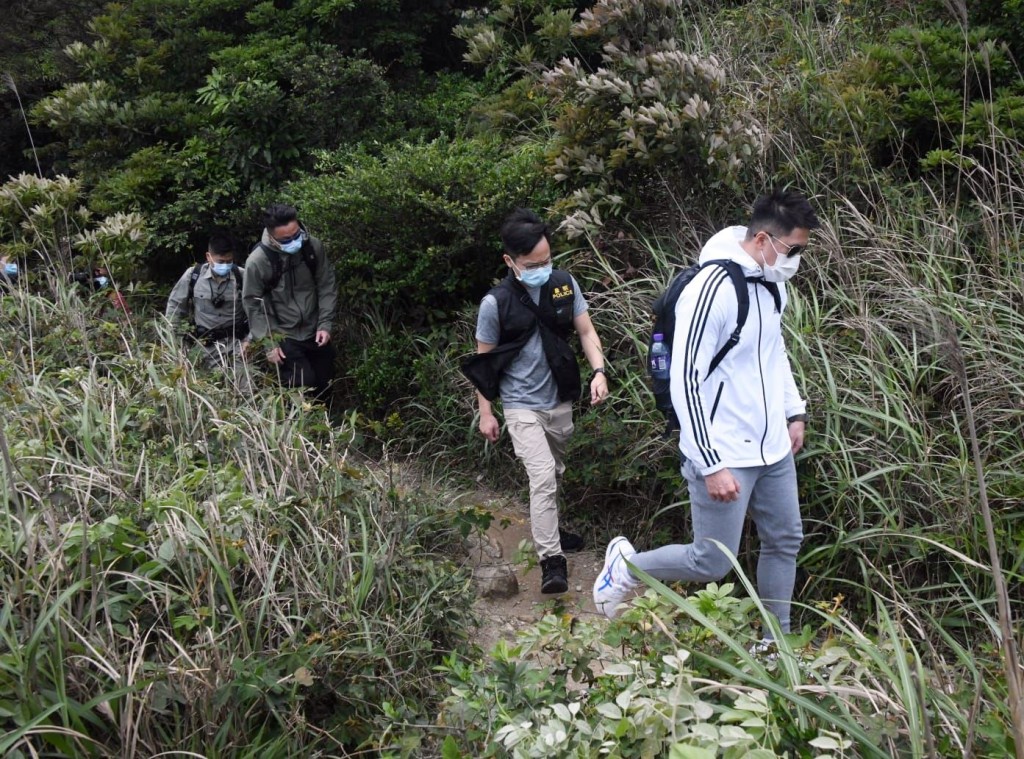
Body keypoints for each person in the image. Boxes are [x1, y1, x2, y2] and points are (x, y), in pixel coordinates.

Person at [594, 189, 819, 640]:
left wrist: (793, 412)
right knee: (713, 561)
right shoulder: (710, 290)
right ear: (762, 240)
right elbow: (686, 381)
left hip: (772, 444)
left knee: (785, 541)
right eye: (794, 250)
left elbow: (773, 355)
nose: (796, 260)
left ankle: (777, 644)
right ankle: (627, 566)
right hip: (722, 448)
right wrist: (710, 461)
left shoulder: (773, 288)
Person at [466, 208, 609, 594]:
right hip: (519, 404)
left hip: (559, 398)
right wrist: (486, 413)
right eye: (533, 264)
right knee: (542, 476)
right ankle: (553, 561)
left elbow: (586, 331)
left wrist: (599, 371)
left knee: (555, 472)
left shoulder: (563, 284)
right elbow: (484, 364)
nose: (542, 268)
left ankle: (552, 527)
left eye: (547, 260)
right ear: (510, 262)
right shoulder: (496, 303)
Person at [242, 203, 338, 401]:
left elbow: (326, 285)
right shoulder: (258, 261)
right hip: (283, 333)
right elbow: (253, 304)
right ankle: (301, 429)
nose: (295, 241)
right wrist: (269, 343)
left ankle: (327, 428)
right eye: (287, 239)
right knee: (303, 386)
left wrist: (325, 324)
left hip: (315, 328)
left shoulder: (312, 247)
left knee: (325, 384)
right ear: (272, 236)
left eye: (297, 234)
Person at [166, 233, 250, 389]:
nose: (225, 265)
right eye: (221, 261)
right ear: (208, 257)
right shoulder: (193, 276)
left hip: (237, 345)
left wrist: (249, 340)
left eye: (229, 262)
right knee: (211, 390)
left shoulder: (241, 276)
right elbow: (175, 308)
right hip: (205, 348)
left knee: (244, 389)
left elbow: (256, 310)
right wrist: (176, 343)